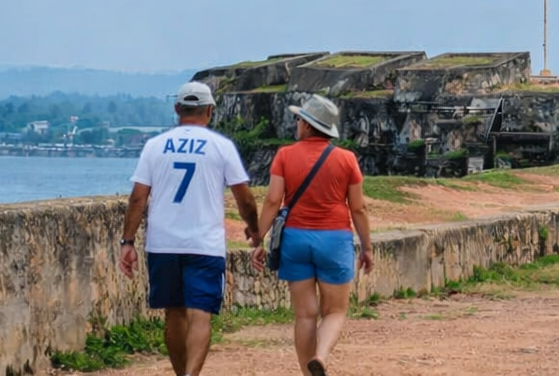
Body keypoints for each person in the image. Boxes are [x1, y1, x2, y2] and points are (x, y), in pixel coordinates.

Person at [119, 81, 261, 376]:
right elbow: (244, 197)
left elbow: (137, 197)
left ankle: (181, 372)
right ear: (210, 111)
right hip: (204, 244)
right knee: (201, 316)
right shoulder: (221, 147)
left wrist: (127, 241)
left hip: (163, 243)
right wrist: (254, 229)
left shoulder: (154, 146)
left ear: (177, 109)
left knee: (174, 313)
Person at [253, 95, 374, 376]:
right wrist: (367, 247)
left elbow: (273, 201)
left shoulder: (284, 155)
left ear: (308, 126)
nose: (296, 123)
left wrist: (259, 240)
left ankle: (309, 375)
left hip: (294, 239)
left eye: (299, 119)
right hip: (334, 239)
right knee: (334, 311)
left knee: (305, 314)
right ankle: (320, 356)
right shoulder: (346, 159)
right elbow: (358, 207)